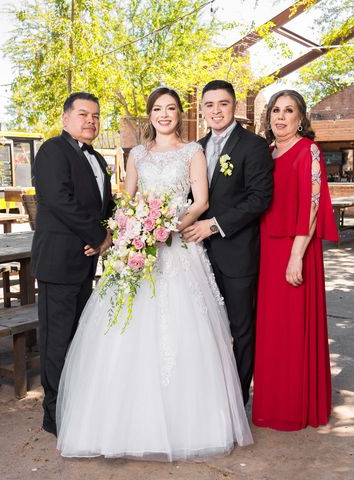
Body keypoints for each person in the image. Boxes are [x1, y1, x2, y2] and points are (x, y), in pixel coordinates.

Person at [55, 87, 252, 461]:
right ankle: (122, 424)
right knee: (124, 329)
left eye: (171, 109)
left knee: (185, 331)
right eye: (158, 109)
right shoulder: (138, 155)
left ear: (180, 114)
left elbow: (202, 201)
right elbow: (127, 199)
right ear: (150, 115)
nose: (164, 115)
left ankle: (189, 425)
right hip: (139, 249)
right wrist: (127, 230)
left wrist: (174, 225)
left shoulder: (193, 151)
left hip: (178, 250)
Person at [252, 89, 338, 431]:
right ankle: (270, 405)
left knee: (293, 331)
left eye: (288, 111)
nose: (280, 117)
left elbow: (313, 206)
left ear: (301, 118)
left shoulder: (309, 151)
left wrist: (296, 257)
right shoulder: (267, 152)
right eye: (276, 110)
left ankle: (295, 407)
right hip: (266, 249)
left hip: (295, 248)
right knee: (270, 333)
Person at [183, 80, 273, 406]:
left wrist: (214, 225)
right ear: (202, 109)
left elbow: (259, 198)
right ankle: (210, 396)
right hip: (196, 255)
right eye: (209, 105)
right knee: (205, 328)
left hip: (236, 254)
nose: (216, 110)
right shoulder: (195, 148)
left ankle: (235, 401)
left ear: (234, 106)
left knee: (241, 328)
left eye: (223, 103)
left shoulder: (253, 145)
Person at [31, 92, 114, 437]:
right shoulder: (52, 150)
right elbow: (59, 200)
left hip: (84, 264)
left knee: (79, 338)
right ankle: (55, 416)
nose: (90, 121)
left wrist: (112, 227)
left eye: (95, 115)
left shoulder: (97, 158)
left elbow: (103, 205)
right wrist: (99, 236)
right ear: (65, 118)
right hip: (58, 262)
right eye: (83, 114)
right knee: (56, 340)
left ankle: (76, 405)